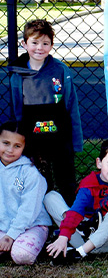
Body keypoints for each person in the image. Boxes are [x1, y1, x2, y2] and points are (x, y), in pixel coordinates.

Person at [8, 19, 83, 205]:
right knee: (40, 182)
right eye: (34, 42)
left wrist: (76, 140)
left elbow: (71, 106)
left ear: (51, 44)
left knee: (66, 181)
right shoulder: (18, 74)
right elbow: (16, 111)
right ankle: (44, 223)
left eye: (45, 43)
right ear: (24, 44)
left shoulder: (60, 70)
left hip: (60, 138)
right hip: (33, 141)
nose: (39, 48)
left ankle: (71, 220)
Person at [44, 139, 108, 264]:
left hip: (107, 242)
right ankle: (78, 244)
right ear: (99, 163)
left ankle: (78, 253)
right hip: (83, 239)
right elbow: (76, 211)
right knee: (50, 197)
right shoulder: (89, 184)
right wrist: (63, 237)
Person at [0, 121, 52, 265]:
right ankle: (8, 247)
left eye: (17, 146)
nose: (10, 150)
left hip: (31, 225)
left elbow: (29, 209)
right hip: (3, 226)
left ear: (24, 147)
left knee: (22, 255)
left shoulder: (30, 173)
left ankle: (21, 244)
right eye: (5, 143)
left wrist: (12, 235)